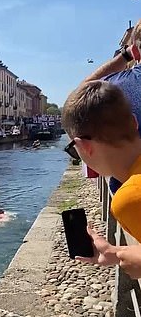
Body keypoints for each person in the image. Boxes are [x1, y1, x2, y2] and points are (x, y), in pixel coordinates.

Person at [62, 80, 141, 279]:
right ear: (134, 122)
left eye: (73, 149)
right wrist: (115, 254)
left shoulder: (132, 198)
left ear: (83, 146)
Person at [82, 19, 141, 193]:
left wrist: (125, 56)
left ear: (136, 52)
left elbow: (77, 101)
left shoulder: (116, 87)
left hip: (132, 202)